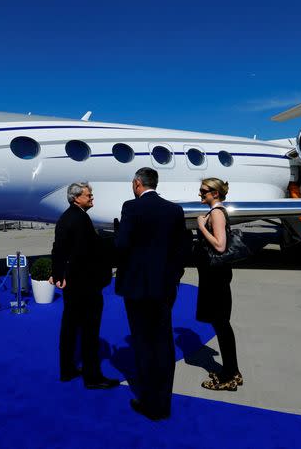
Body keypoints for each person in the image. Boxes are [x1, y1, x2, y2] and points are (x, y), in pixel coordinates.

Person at [115, 167, 189, 420]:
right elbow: (182, 249)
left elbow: (122, 245)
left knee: (143, 343)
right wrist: (173, 278)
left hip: (137, 288)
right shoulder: (174, 210)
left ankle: (149, 402)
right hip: (164, 288)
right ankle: (163, 403)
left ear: (137, 183)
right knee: (163, 343)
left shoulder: (131, 207)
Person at [50, 182, 119, 390]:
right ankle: (93, 377)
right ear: (76, 198)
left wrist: (58, 272)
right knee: (90, 330)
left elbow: (58, 248)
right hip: (86, 284)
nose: (92, 198)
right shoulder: (80, 219)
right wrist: (117, 241)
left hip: (72, 283)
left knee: (69, 327)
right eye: (88, 195)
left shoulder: (66, 217)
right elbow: (90, 250)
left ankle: (67, 369)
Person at [195, 178, 243, 391]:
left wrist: (200, 227)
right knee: (221, 323)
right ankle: (231, 371)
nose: (200, 194)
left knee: (222, 323)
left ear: (215, 193)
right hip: (215, 275)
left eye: (204, 191)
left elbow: (220, 245)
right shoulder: (216, 212)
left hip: (216, 275)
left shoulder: (215, 213)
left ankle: (230, 375)